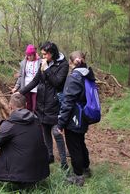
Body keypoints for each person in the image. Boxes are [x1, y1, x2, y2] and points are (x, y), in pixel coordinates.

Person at [16, 41, 69, 170]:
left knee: (56, 132)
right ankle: (49, 155)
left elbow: (57, 82)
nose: (43, 56)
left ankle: (63, 163)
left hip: (55, 103)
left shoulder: (63, 65)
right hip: (42, 103)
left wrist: (47, 69)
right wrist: (20, 92)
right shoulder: (43, 63)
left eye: (45, 54)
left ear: (52, 53)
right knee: (45, 131)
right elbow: (35, 81)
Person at [0, 93, 50, 188]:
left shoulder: (10, 125)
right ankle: (29, 180)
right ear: (26, 104)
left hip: (22, 174)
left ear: (10, 106)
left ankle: (21, 183)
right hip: (41, 172)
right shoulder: (36, 120)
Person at [57, 51, 94, 186]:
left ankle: (78, 176)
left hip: (74, 117)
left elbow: (68, 102)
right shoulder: (88, 74)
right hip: (84, 115)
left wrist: (61, 123)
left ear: (71, 63)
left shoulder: (74, 77)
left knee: (74, 147)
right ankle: (86, 168)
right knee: (80, 142)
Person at [12, 44, 40, 112]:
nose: (29, 57)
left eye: (30, 55)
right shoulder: (24, 63)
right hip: (25, 87)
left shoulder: (40, 62)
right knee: (27, 106)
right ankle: (27, 120)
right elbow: (21, 76)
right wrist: (16, 87)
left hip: (36, 88)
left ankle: (35, 120)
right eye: (27, 55)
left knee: (35, 107)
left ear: (34, 54)